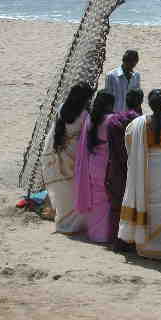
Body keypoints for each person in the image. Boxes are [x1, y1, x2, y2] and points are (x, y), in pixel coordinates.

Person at [118, 89, 161, 259]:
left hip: (144, 171)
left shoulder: (137, 124)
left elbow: (129, 147)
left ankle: (148, 247)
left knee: (146, 206)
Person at [42, 83, 94, 234]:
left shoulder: (62, 108)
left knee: (63, 189)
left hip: (60, 152)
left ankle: (63, 219)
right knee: (75, 189)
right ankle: (74, 224)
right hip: (75, 154)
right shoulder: (84, 115)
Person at [74, 90, 115, 243]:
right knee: (106, 200)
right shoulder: (111, 120)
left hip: (92, 163)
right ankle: (104, 234)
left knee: (96, 199)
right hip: (106, 164)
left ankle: (94, 233)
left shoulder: (90, 119)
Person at [106, 88, 144, 246]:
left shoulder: (113, 120)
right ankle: (131, 240)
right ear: (140, 102)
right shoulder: (140, 123)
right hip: (133, 170)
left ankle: (116, 239)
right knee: (133, 204)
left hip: (115, 168)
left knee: (116, 205)